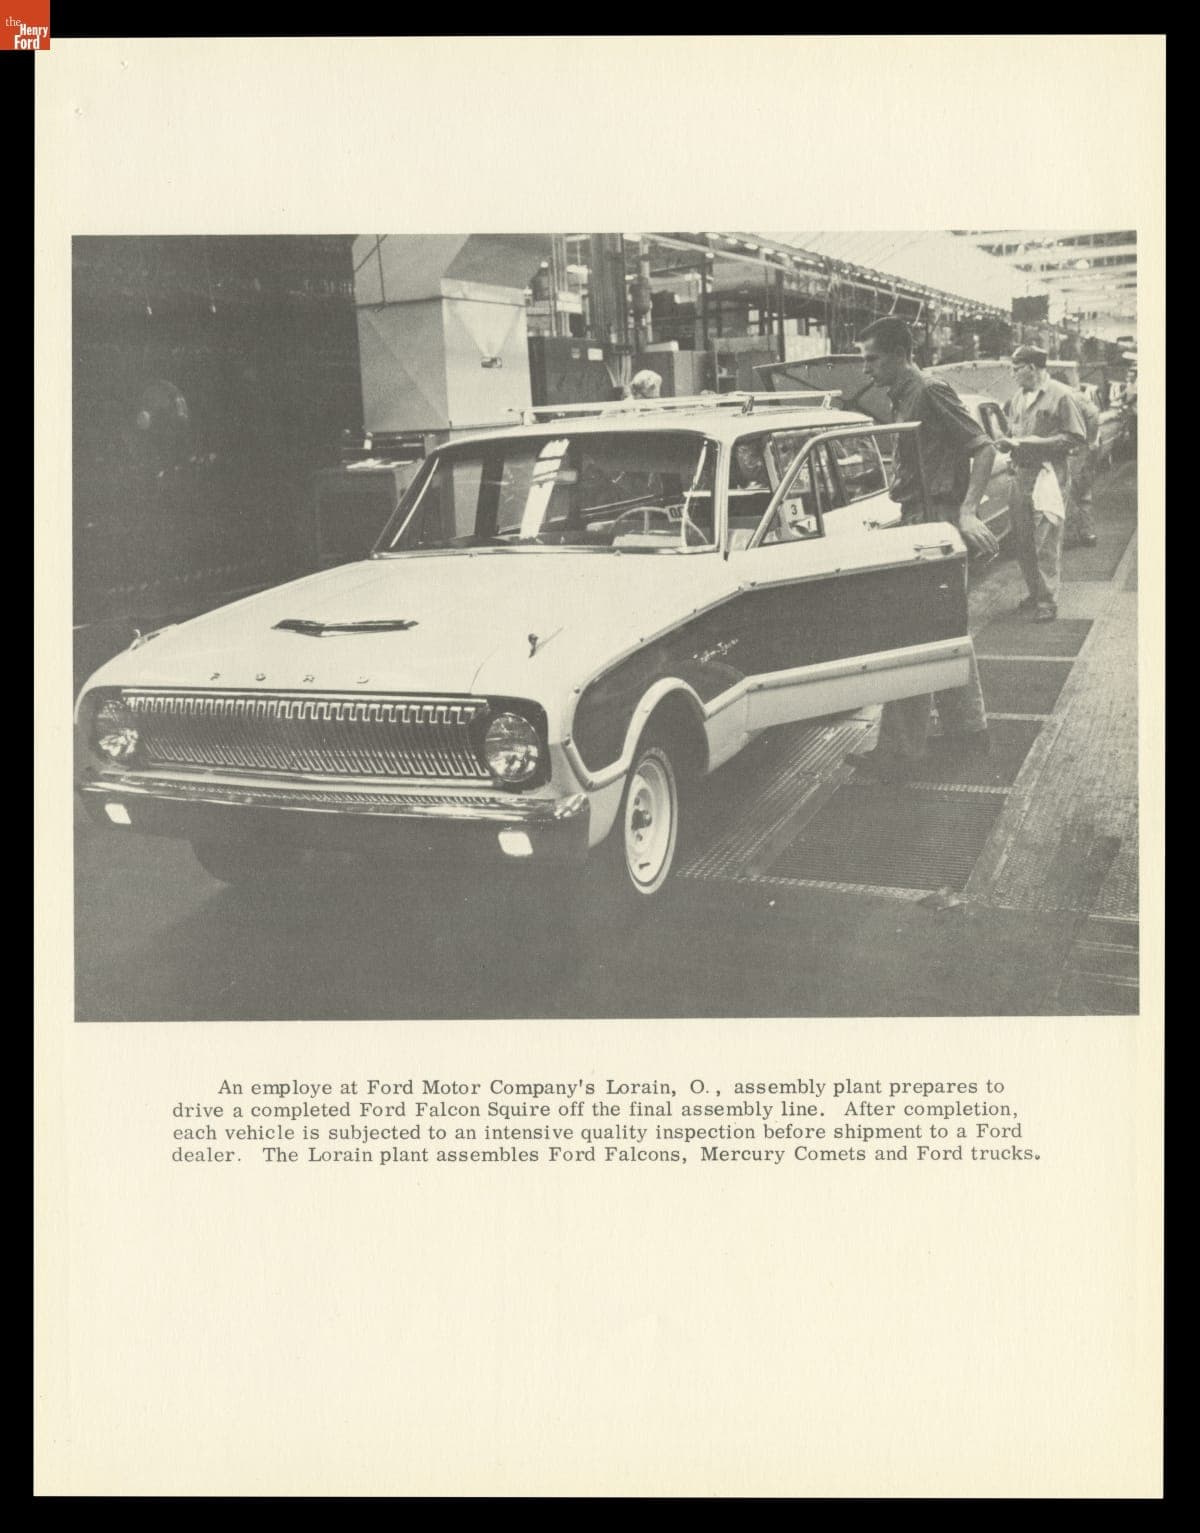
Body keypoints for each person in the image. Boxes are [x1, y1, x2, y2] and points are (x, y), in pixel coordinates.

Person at [850, 317, 1000, 784]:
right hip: (920, 517)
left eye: (873, 359)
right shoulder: (902, 395)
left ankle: (902, 750)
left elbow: (984, 447)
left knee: (910, 634)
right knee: (943, 627)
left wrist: (968, 511)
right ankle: (968, 730)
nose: (867, 369)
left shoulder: (930, 391)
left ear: (900, 354)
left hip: (936, 520)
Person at [995, 346, 1087, 622]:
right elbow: (1014, 430)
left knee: (1046, 540)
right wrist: (1008, 442)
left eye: (1016, 368)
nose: (1012, 374)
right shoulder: (1017, 398)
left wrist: (1038, 443)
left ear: (1032, 368)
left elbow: (1076, 437)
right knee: (1022, 538)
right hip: (1021, 475)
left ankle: (1048, 601)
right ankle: (1035, 592)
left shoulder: (1061, 396)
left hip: (1048, 475)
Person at [1065, 384, 1101, 548]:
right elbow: (1093, 413)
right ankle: (1087, 533)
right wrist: (1091, 440)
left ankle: (1071, 535)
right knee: (1084, 493)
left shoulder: (1067, 396)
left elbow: (1093, 414)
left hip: (1075, 450)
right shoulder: (1078, 396)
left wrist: (1089, 440)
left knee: (1070, 491)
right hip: (1084, 450)